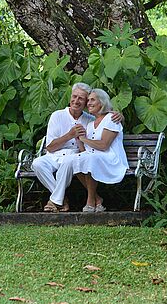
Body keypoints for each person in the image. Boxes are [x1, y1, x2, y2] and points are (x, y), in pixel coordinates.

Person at [32, 83, 122, 212]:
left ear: (85, 103)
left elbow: (107, 120)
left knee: (71, 161)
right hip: (55, 155)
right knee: (37, 164)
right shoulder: (57, 116)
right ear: (70, 97)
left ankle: (55, 202)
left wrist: (120, 116)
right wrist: (69, 135)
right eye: (74, 96)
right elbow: (50, 148)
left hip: (75, 155)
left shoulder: (90, 120)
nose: (76, 101)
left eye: (81, 98)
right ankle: (61, 199)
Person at [71, 88, 129, 212]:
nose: (89, 103)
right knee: (75, 160)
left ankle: (90, 201)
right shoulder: (91, 124)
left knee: (90, 159)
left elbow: (104, 145)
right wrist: (79, 140)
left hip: (111, 159)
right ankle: (97, 199)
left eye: (93, 100)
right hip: (96, 158)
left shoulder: (111, 119)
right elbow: (85, 150)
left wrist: (84, 139)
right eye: (88, 100)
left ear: (102, 103)